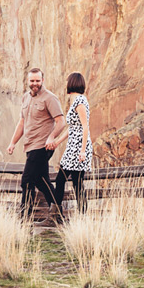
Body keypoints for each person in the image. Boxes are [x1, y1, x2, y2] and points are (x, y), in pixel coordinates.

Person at [5, 67, 65, 220]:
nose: (35, 83)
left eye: (38, 80)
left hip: (43, 146)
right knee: (41, 180)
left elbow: (61, 122)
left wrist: (51, 137)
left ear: (42, 80)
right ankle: (58, 212)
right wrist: (13, 142)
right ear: (28, 81)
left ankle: (25, 218)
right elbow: (22, 123)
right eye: (32, 81)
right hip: (30, 146)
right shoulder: (26, 98)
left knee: (26, 180)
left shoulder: (50, 98)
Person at [52, 72, 93, 214]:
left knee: (63, 180)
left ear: (72, 83)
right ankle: (78, 215)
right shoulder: (76, 100)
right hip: (73, 145)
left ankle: (57, 214)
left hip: (78, 146)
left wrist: (82, 151)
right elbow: (72, 128)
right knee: (76, 183)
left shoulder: (80, 101)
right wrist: (58, 141)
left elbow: (85, 126)